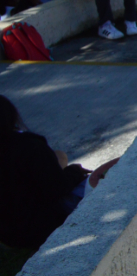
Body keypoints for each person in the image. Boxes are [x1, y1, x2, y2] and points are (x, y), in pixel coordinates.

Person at [0, 95, 119, 250]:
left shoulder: (26, 147)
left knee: (59, 155)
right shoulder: (28, 146)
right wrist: (75, 171)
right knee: (100, 185)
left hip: (7, 234)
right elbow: (57, 189)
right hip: (38, 230)